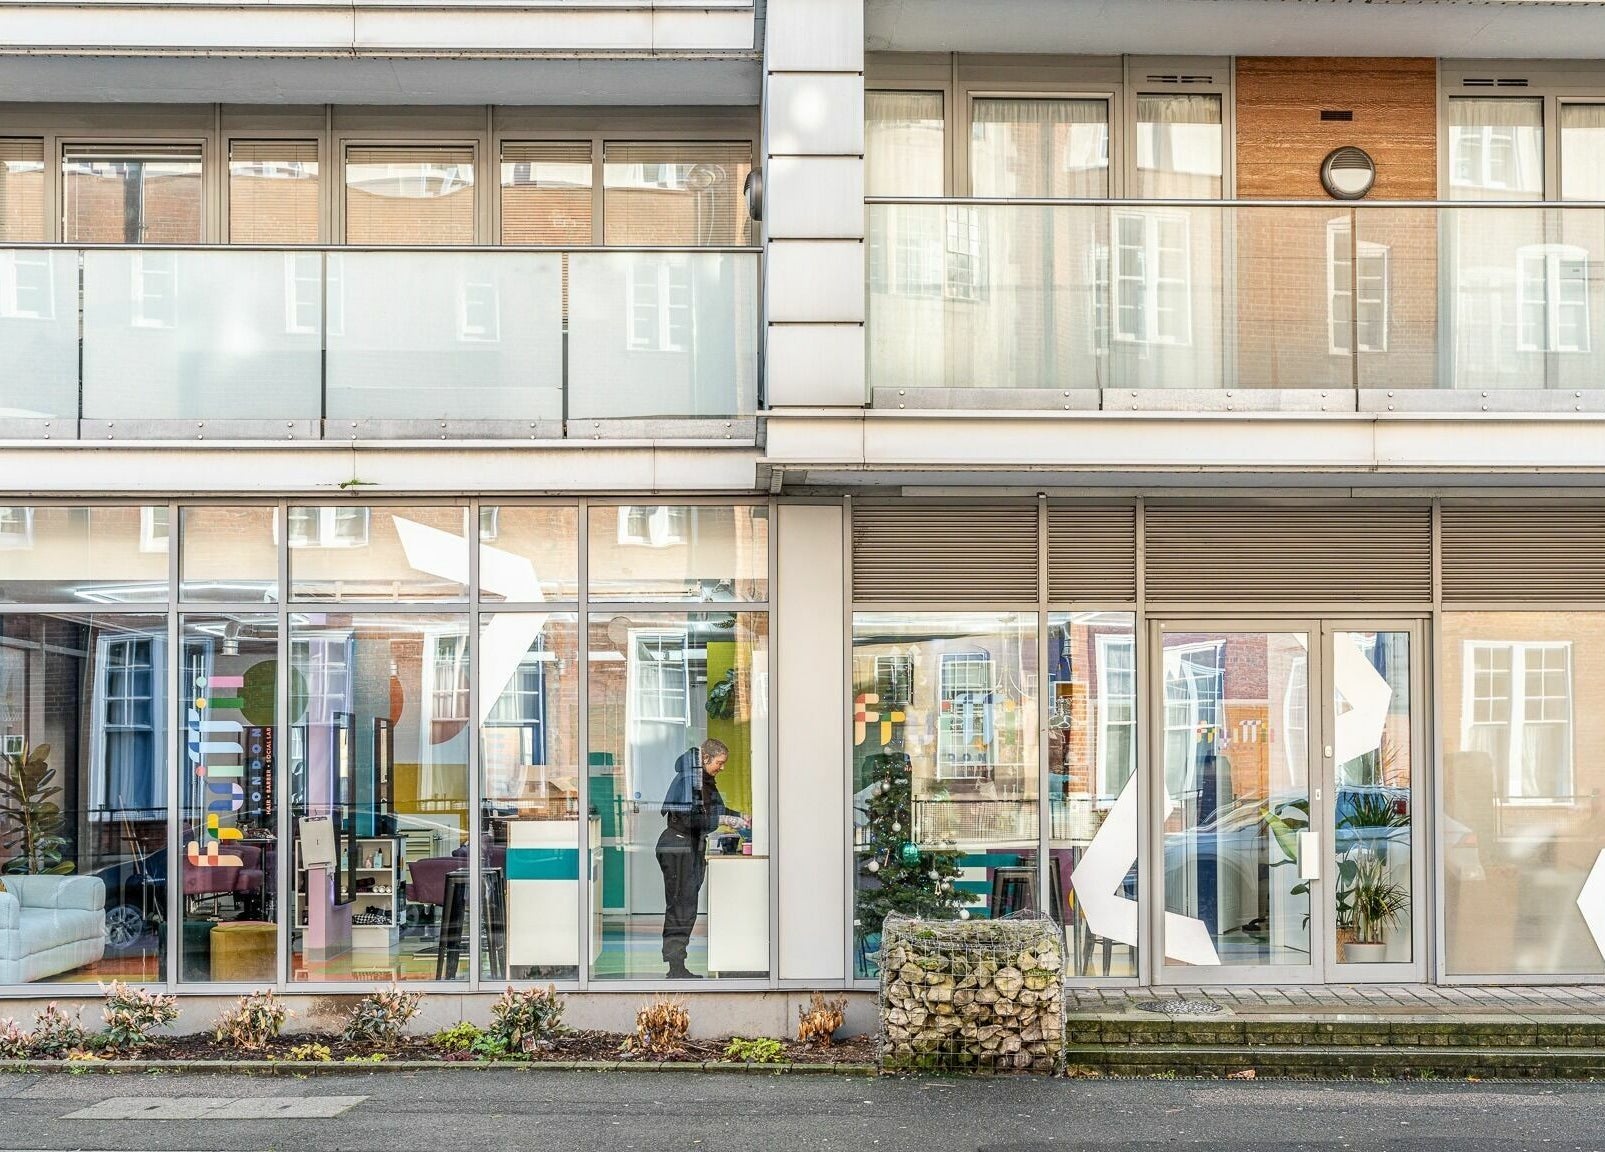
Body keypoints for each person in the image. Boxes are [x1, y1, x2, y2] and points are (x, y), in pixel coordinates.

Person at [657, 737, 747, 978]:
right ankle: (675, 967)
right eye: (720, 762)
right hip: (678, 848)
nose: (722, 767)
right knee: (681, 908)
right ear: (706, 758)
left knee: (687, 907)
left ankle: (677, 965)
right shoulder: (690, 780)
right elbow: (690, 818)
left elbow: (715, 808)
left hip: (689, 847)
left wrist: (740, 816)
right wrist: (724, 819)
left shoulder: (702, 779)